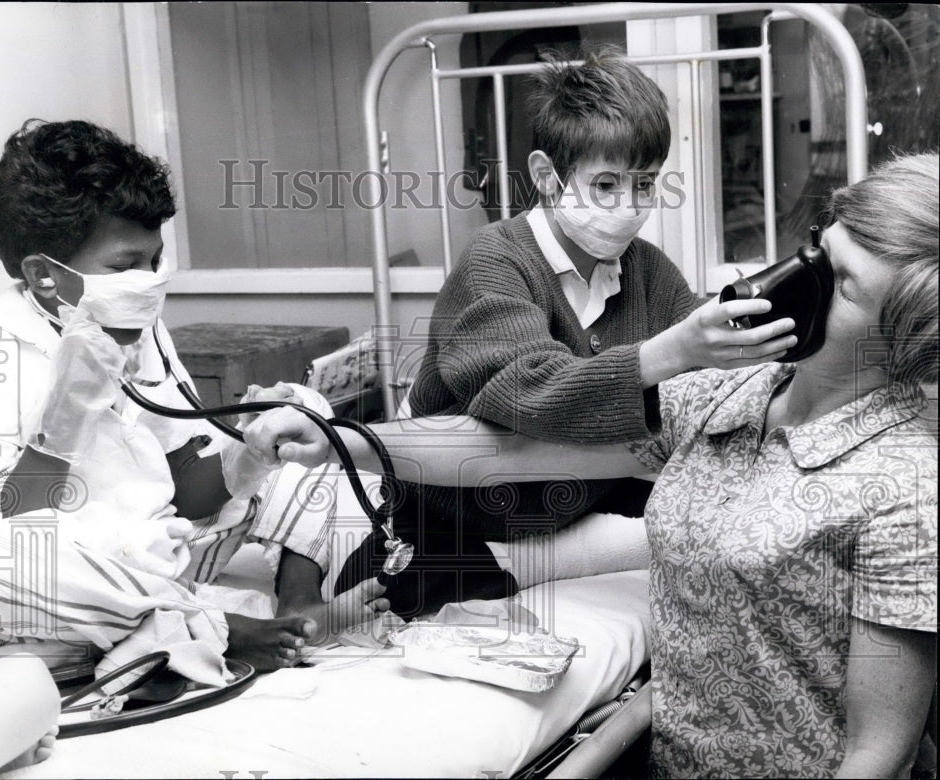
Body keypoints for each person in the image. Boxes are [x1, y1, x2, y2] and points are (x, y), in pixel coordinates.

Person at [242, 152, 938, 778]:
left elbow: (881, 753)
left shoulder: (905, 487)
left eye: (841, 285)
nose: (796, 281)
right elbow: (515, 451)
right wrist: (345, 440)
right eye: (817, 251)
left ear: (900, 340)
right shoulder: (738, 387)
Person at [0, 120, 388, 729]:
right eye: (128, 265)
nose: (151, 283)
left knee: (318, 426)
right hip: (73, 588)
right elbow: (9, 536)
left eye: (155, 260)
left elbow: (180, 483)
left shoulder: (140, 328)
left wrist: (250, 453)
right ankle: (223, 631)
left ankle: (293, 606)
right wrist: (65, 414)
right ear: (46, 277)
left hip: (161, 562)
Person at [335, 47, 797, 617]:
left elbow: (707, 367)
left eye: (645, 184)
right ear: (546, 178)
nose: (628, 206)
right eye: (605, 184)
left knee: (736, 540)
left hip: (576, 505)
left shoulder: (647, 269)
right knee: (406, 613)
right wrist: (672, 351)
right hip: (454, 510)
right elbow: (531, 393)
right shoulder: (494, 263)